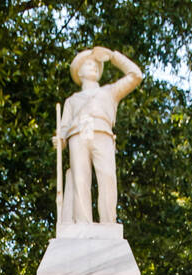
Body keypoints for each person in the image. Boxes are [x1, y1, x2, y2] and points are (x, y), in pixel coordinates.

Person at [56, 47, 143, 225]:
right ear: (78, 71)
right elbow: (63, 127)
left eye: (96, 64)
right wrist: (60, 138)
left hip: (102, 133)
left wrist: (113, 56)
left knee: (108, 177)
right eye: (88, 64)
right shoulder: (71, 100)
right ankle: (83, 223)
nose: (94, 67)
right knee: (80, 180)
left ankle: (108, 222)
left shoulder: (110, 92)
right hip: (78, 135)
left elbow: (136, 75)